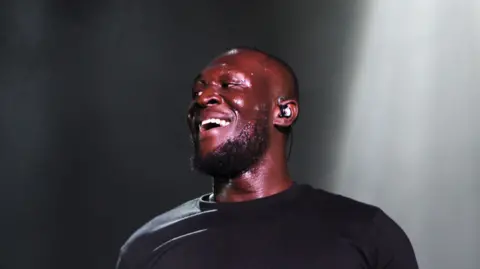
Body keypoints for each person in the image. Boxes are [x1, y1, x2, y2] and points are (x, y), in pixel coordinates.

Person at [115, 47, 418, 269]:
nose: (203, 98)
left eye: (228, 85)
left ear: (284, 112)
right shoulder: (148, 246)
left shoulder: (367, 232)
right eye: (198, 89)